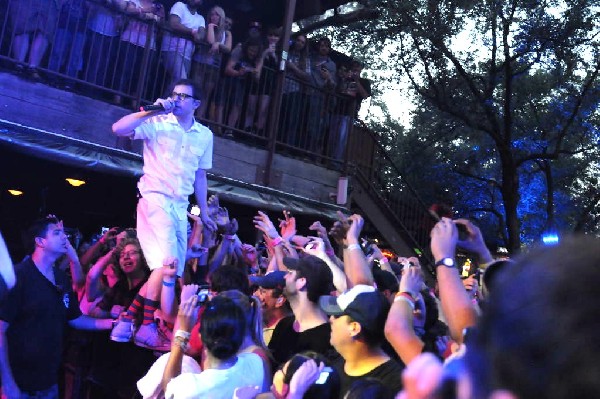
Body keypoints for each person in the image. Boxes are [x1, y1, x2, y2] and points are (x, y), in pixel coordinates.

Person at [111, 78, 217, 348]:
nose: (177, 99)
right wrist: (154, 109)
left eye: (183, 96)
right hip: (154, 198)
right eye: (174, 94)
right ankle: (146, 325)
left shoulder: (205, 135)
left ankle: (128, 317)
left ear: (196, 104)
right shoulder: (157, 122)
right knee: (168, 264)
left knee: (172, 268)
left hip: (180, 206)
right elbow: (118, 128)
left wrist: (204, 212)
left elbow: (200, 175)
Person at [0, 216, 114, 399]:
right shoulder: (20, 277)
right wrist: (7, 384)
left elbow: (75, 318)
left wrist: (112, 323)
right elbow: (0, 331)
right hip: (19, 384)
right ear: (40, 241)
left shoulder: (60, 278)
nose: (64, 238)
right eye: (57, 232)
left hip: (49, 382)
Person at [162, 292, 266, 398]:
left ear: (200, 336)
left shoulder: (190, 388)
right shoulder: (256, 363)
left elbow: (169, 386)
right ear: (241, 335)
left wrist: (183, 331)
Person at [319, 285, 404, 397]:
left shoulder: (394, 385)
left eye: (336, 315)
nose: (331, 319)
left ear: (354, 328)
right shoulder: (333, 364)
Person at [267, 255, 336, 368]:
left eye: (290, 273)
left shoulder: (328, 338)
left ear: (302, 282)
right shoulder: (284, 325)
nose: (285, 277)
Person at [250, 271, 292, 345]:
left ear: (280, 300)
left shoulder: (283, 336)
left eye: (262, 291)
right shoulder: (256, 319)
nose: (255, 294)